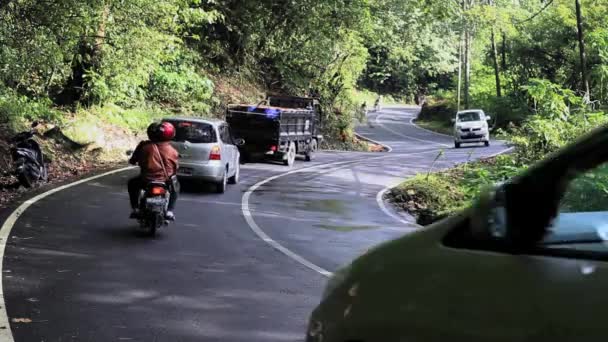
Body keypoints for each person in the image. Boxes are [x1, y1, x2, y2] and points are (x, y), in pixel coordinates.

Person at [128, 122, 179, 220]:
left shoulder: (144, 146)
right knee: (176, 187)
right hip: (165, 180)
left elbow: (134, 160)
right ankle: (169, 211)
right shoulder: (172, 150)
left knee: (132, 184)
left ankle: (135, 208)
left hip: (146, 179)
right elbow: (175, 168)